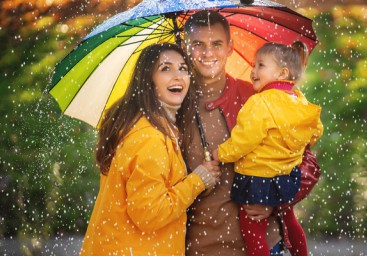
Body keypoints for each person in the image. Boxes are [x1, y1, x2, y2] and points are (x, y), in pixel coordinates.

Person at [178, 10, 322, 256]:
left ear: (230, 47)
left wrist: (276, 200)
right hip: (200, 248)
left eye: (216, 44)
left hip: (265, 244)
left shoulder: (258, 96)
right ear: (185, 46)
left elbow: (306, 162)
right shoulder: (173, 105)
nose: (208, 53)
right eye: (198, 44)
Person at [80, 43, 220, 255]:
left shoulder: (150, 127)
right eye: (165, 68)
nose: (178, 76)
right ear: (148, 81)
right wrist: (197, 180)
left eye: (183, 68)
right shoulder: (150, 139)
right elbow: (150, 214)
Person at [213, 41, 323, 256]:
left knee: (252, 229)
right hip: (287, 175)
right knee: (289, 220)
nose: (253, 71)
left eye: (261, 66)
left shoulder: (259, 102)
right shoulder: (299, 100)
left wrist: (221, 154)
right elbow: (315, 131)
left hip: (257, 178)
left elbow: (244, 140)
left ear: (282, 72)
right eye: (254, 65)